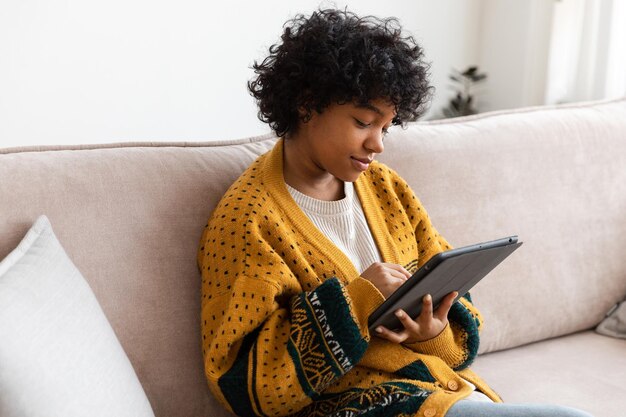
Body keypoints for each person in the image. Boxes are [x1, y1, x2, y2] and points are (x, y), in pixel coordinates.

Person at [197, 8, 593, 417]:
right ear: (306, 105)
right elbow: (244, 384)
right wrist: (358, 298)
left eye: (386, 127)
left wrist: (432, 332)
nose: (377, 145)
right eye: (363, 122)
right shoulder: (249, 219)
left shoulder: (385, 188)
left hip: (433, 393)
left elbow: (454, 306)